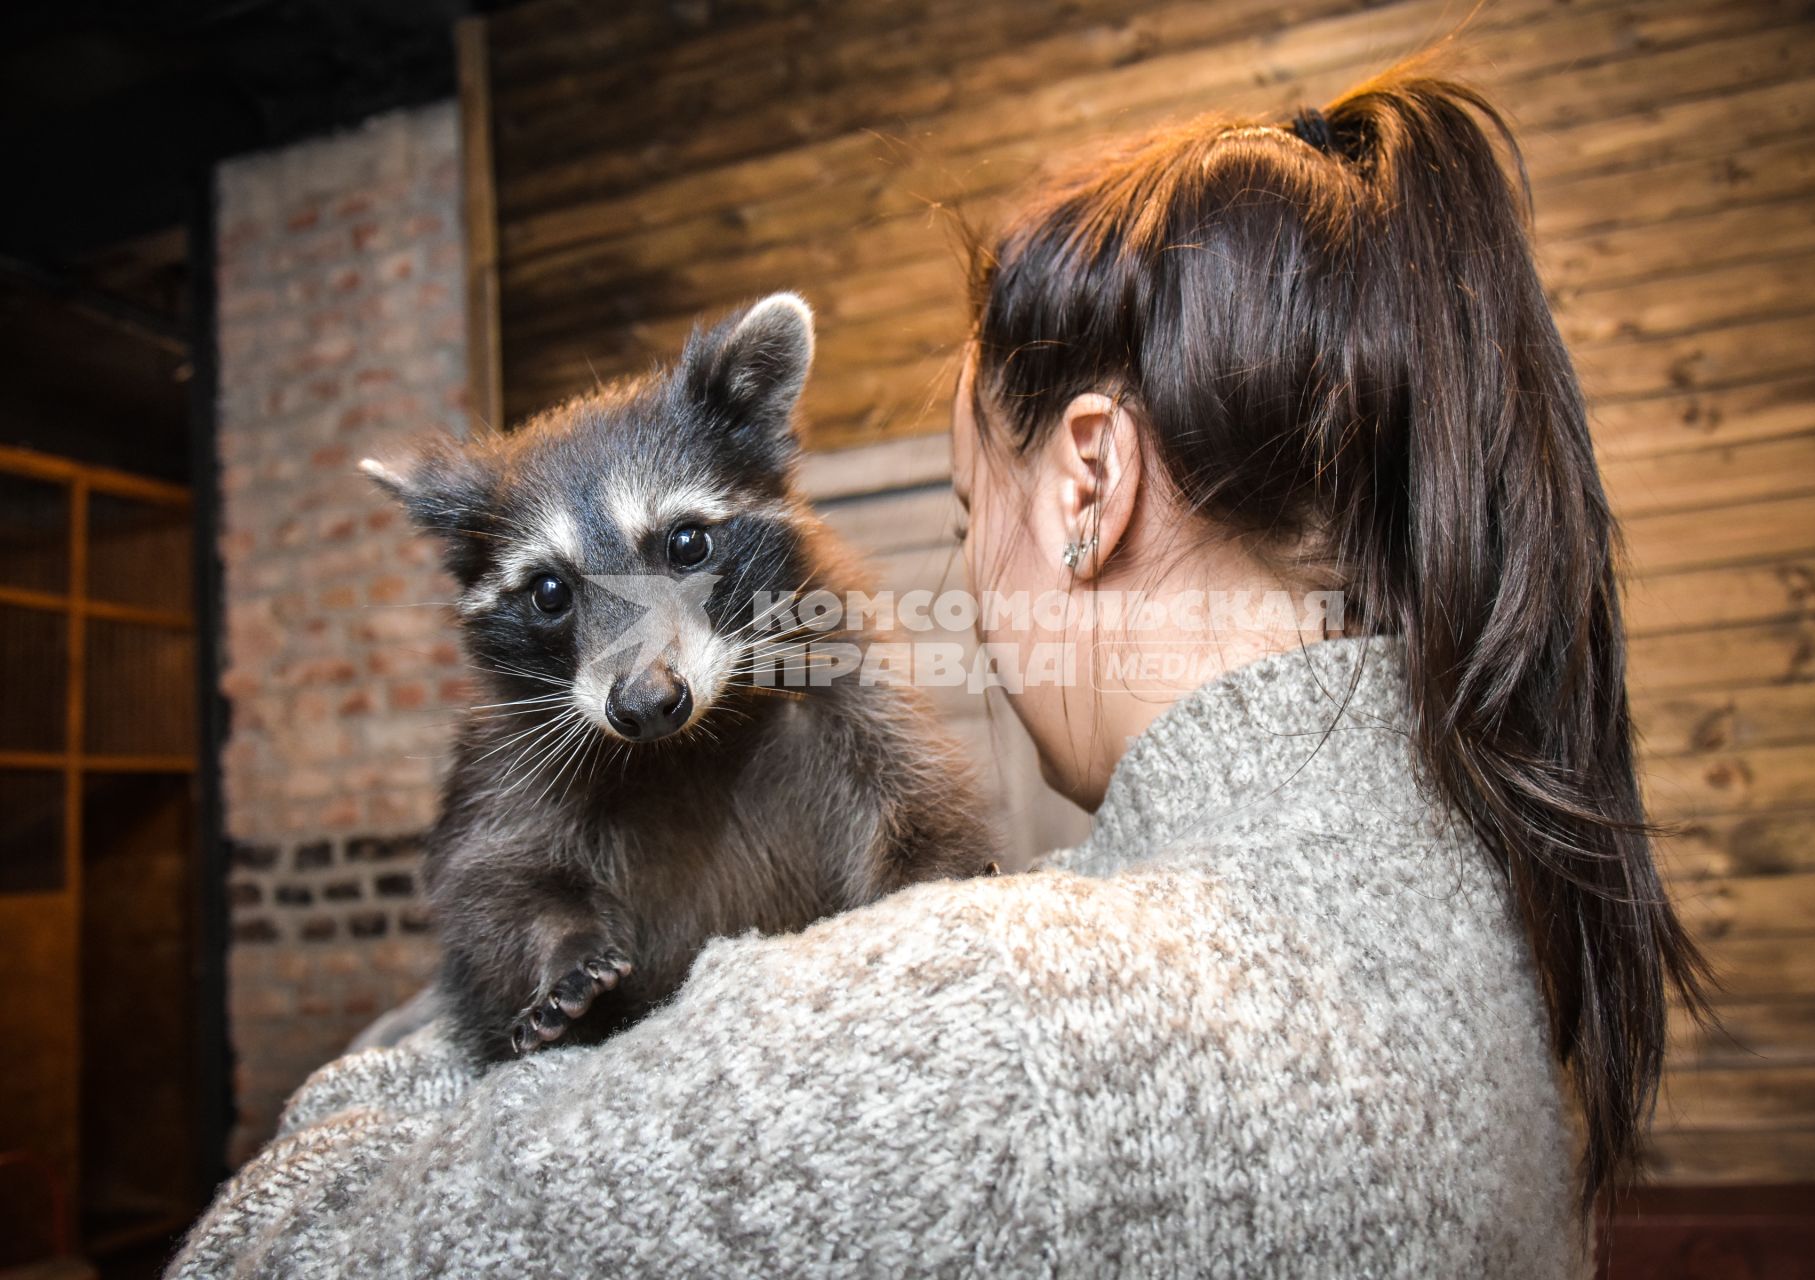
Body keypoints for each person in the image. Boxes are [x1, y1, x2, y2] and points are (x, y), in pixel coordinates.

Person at [169, 67, 1705, 1278]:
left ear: (1088, 486)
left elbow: (267, 1255)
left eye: (976, 514)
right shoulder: (1473, 939)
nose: (967, 578)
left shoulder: (983, 1038)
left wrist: (409, 1063)